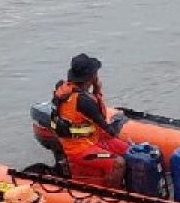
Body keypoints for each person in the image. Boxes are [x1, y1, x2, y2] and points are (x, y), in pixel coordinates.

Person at [51, 53, 129, 188]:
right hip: (79, 149)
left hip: (90, 140)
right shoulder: (83, 101)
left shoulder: (65, 91)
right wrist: (98, 89)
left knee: (129, 150)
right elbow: (107, 127)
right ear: (90, 77)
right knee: (119, 162)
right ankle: (112, 193)